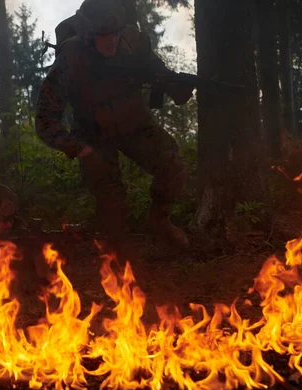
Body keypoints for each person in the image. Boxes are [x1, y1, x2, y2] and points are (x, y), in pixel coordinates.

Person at [35, 0, 194, 250]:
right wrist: (78, 148)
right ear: (88, 37)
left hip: (135, 124)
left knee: (173, 165)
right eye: (103, 36)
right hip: (93, 134)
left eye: (115, 34)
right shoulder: (72, 57)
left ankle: (159, 221)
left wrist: (176, 87)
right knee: (112, 209)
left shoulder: (133, 43)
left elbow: (156, 72)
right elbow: (45, 119)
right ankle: (116, 253)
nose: (111, 41)